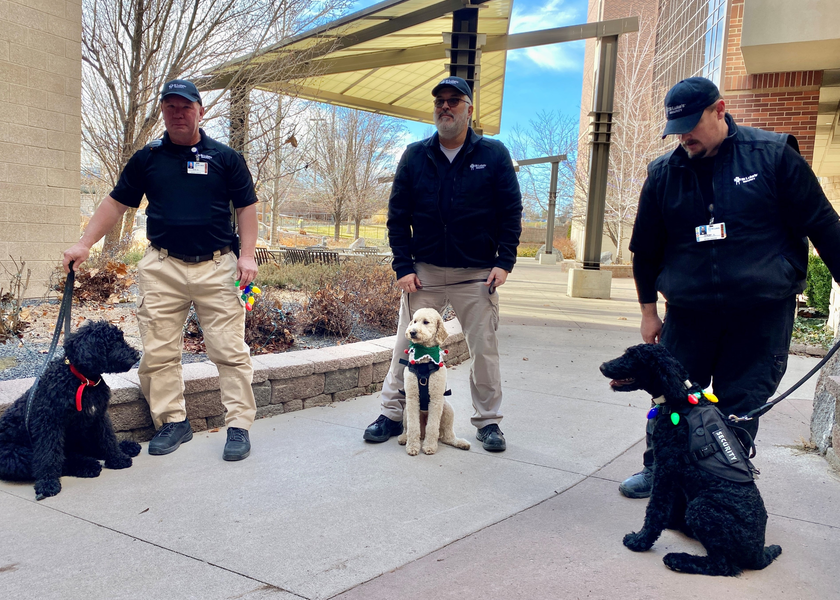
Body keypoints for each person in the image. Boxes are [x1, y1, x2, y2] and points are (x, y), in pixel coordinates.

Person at [621, 76, 840, 497]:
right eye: (676, 129)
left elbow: (823, 225)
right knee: (673, 399)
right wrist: (649, 310)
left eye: (691, 124)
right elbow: (645, 250)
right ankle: (660, 470)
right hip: (690, 313)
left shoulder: (773, 156)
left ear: (719, 110)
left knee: (738, 405)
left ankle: (723, 482)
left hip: (760, 313)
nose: (684, 136)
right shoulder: (664, 174)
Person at [63, 79, 260, 461]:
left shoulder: (225, 158)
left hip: (218, 267)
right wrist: (84, 243)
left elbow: (247, 207)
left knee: (229, 350)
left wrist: (248, 254)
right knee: (158, 352)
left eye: (185, 107)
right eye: (170, 107)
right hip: (163, 266)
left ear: (200, 112)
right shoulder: (148, 158)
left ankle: (238, 424)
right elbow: (116, 203)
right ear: (163, 113)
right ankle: (173, 421)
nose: (177, 113)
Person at [362, 76, 523, 451]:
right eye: (440, 102)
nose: (445, 107)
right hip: (425, 273)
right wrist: (403, 265)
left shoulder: (493, 155)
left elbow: (511, 213)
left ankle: (488, 422)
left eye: (454, 100)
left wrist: (505, 261)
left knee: (484, 348)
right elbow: (397, 216)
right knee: (407, 342)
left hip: (477, 275)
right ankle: (391, 412)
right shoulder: (415, 156)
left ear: (469, 108)